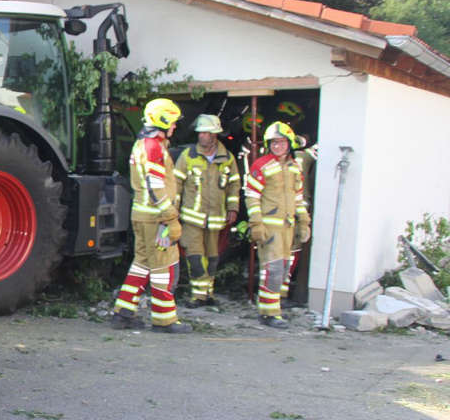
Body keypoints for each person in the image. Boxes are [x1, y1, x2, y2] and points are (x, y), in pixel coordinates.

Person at [110, 98, 192, 333]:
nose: (174, 126)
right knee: (163, 268)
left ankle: (123, 313)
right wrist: (170, 217)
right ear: (163, 120)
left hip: (142, 215)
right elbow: (155, 185)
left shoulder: (142, 144)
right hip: (156, 219)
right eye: (172, 122)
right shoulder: (154, 147)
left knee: (142, 264)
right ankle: (164, 320)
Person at [244, 121, 311, 328]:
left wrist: (304, 222)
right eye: (273, 143)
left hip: (288, 228)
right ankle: (269, 314)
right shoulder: (261, 165)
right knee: (272, 270)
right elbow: (252, 197)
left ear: (289, 144)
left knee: (283, 269)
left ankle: (273, 309)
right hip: (269, 228)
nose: (277, 146)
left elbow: (298, 199)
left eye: (281, 142)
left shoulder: (294, 168)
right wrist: (256, 224)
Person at [174, 114, 241, 307]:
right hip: (192, 218)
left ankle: (208, 293)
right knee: (195, 257)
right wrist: (173, 212)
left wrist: (233, 208)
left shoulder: (227, 158)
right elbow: (176, 184)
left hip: (215, 219)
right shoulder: (188, 156)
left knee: (212, 258)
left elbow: (234, 186)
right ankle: (198, 296)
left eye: (205, 133)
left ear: (214, 134)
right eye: (200, 133)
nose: (201, 136)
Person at [282, 135, 317, 300]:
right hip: (284, 211)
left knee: (291, 251)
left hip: (297, 211)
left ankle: (281, 292)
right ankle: (278, 293)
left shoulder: (303, 157)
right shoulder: (273, 162)